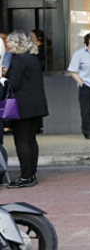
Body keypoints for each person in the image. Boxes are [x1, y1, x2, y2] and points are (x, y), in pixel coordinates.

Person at [4, 31, 48, 188]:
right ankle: (31, 174)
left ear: (18, 43)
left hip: (21, 106)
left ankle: (25, 177)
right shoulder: (33, 58)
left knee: (21, 139)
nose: (7, 44)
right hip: (36, 105)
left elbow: (13, 84)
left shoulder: (19, 59)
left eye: (10, 42)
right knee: (31, 139)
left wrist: (3, 78)